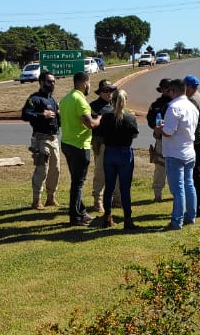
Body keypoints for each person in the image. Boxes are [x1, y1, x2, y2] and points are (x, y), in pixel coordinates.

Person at [59, 71, 102, 226]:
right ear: (85, 83)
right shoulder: (80, 100)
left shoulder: (66, 99)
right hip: (79, 145)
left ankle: (81, 211)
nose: (90, 86)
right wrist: (100, 119)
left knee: (76, 180)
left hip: (67, 143)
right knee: (78, 182)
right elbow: (90, 123)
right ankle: (75, 216)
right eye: (89, 82)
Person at [96, 88, 141, 230]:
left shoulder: (106, 117)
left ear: (112, 100)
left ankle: (107, 217)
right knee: (124, 188)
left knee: (109, 186)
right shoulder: (130, 117)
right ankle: (128, 219)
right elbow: (134, 135)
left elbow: (101, 134)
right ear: (125, 101)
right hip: (124, 153)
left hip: (109, 152)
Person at [157, 78, 198, 231]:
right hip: (189, 150)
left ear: (173, 91)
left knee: (178, 188)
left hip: (175, 152)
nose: (168, 94)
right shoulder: (191, 106)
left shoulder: (173, 106)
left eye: (169, 91)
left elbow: (168, 132)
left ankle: (176, 221)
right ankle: (190, 216)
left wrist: (159, 129)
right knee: (189, 184)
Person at [20, 71, 61, 210]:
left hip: (54, 138)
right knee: (42, 169)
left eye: (54, 81)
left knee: (55, 169)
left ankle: (51, 197)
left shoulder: (53, 100)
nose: (52, 84)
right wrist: (42, 114)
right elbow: (25, 114)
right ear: (42, 82)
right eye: (50, 81)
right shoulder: (35, 99)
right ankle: (36, 199)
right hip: (41, 138)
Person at [183, 74, 200, 217]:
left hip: (198, 141)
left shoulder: (193, 100)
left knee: (197, 175)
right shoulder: (198, 97)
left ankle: (199, 207)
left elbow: (188, 121)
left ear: (189, 87)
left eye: (184, 87)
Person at [89, 80, 116, 213]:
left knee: (116, 172)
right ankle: (97, 201)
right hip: (101, 142)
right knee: (100, 172)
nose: (109, 93)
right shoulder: (94, 106)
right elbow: (94, 123)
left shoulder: (115, 104)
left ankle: (117, 199)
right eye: (106, 90)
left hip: (115, 143)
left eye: (111, 90)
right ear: (100, 92)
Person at [145, 78, 173, 201]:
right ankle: (157, 194)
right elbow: (150, 121)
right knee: (160, 167)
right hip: (161, 139)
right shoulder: (156, 105)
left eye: (169, 87)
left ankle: (177, 193)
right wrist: (157, 126)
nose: (167, 90)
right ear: (161, 89)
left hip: (176, 140)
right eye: (165, 88)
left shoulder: (178, 102)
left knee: (176, 167)